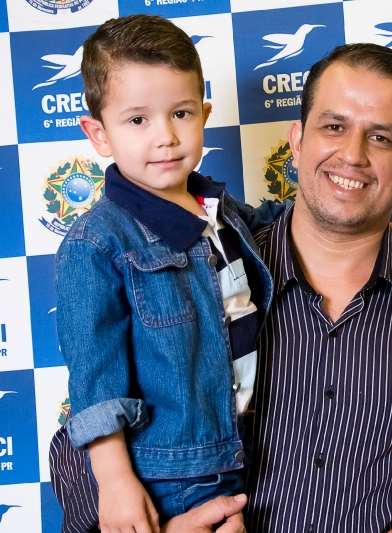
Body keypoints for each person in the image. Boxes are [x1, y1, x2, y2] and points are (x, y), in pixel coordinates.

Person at [235, 43, 392, 532]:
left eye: (380, 137)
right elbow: (102, 441)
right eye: (334, 127)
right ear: (297, 141)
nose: (352, 155)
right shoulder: (213, 277)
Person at [49, 15, 286, 533]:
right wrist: (116, 483)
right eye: (138, 120)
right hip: (167, 473)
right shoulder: (98, 243)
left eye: (181, 113)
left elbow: (278, 223)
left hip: (243, 453)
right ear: (98, 134)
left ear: (203, 114)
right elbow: (96, 380)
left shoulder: (218, 209)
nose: (166, 137)